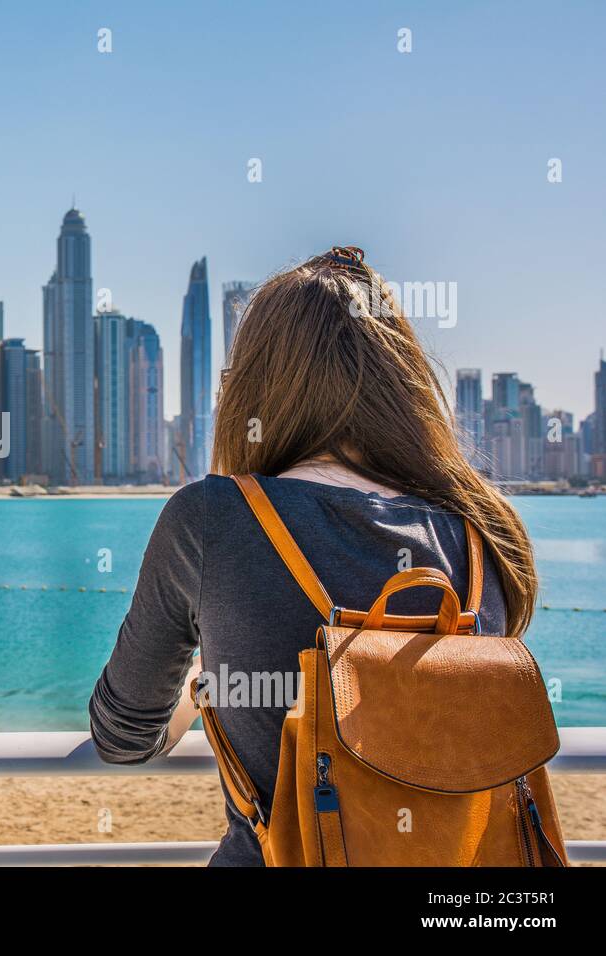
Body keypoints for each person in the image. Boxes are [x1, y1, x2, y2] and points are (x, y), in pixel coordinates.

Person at [87, 246, 537, 866]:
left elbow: (123, 735)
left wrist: (203, 686)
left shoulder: (211, 517)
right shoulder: (483, 531)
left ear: (252, 387)